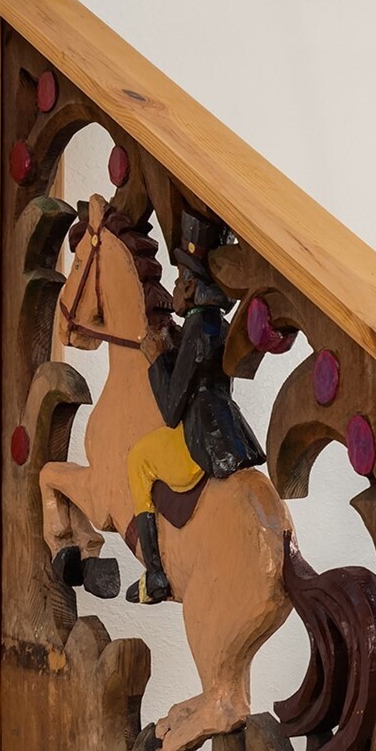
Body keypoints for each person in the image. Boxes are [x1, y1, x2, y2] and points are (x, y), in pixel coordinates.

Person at [123, 212, 266, 603]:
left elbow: (171, 409)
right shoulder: (216, 326)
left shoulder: (199, 331)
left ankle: (154, 573)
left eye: (179, 281)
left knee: (139, 458)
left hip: (199, 436)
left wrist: (156, 360)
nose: (174, 290)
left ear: (191, 285)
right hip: (228, 424)